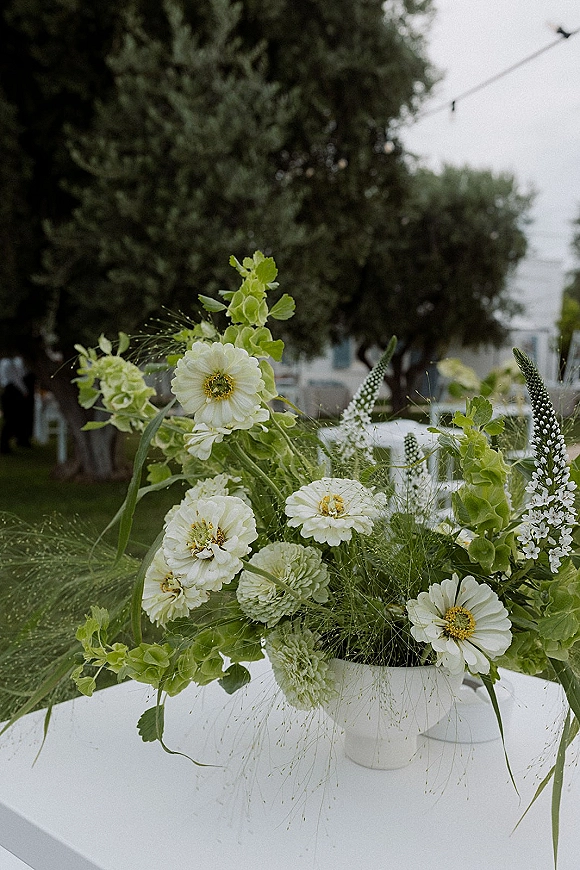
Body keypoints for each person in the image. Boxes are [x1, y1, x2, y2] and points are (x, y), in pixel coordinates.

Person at [0, 356, 34, 454]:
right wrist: (25, 391)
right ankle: (4, 444)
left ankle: (9, 442)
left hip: (8, 391)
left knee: (11, 419)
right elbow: (16, 379)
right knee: (11, 419)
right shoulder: (9, 363)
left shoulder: (3, 362)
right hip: (12, 392)